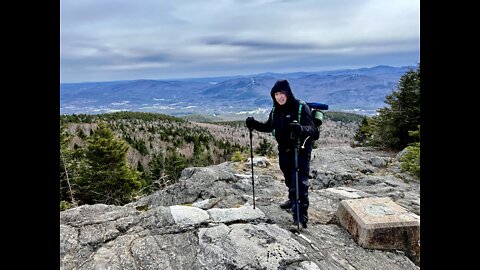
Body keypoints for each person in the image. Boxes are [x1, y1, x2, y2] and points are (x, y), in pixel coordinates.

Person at [245, 79, 318, 229]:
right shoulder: (276, 110)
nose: (279, 97)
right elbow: (268, 126)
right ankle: (292, 199)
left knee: (299, 183)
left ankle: (300, 219)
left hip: (300, 151)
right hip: (284, 150)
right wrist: (254, 124)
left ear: (288, 93)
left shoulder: (300, 108)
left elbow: (314, 131)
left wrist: (301, 129)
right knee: (289, 179)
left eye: (281, 93)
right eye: (276, 94)